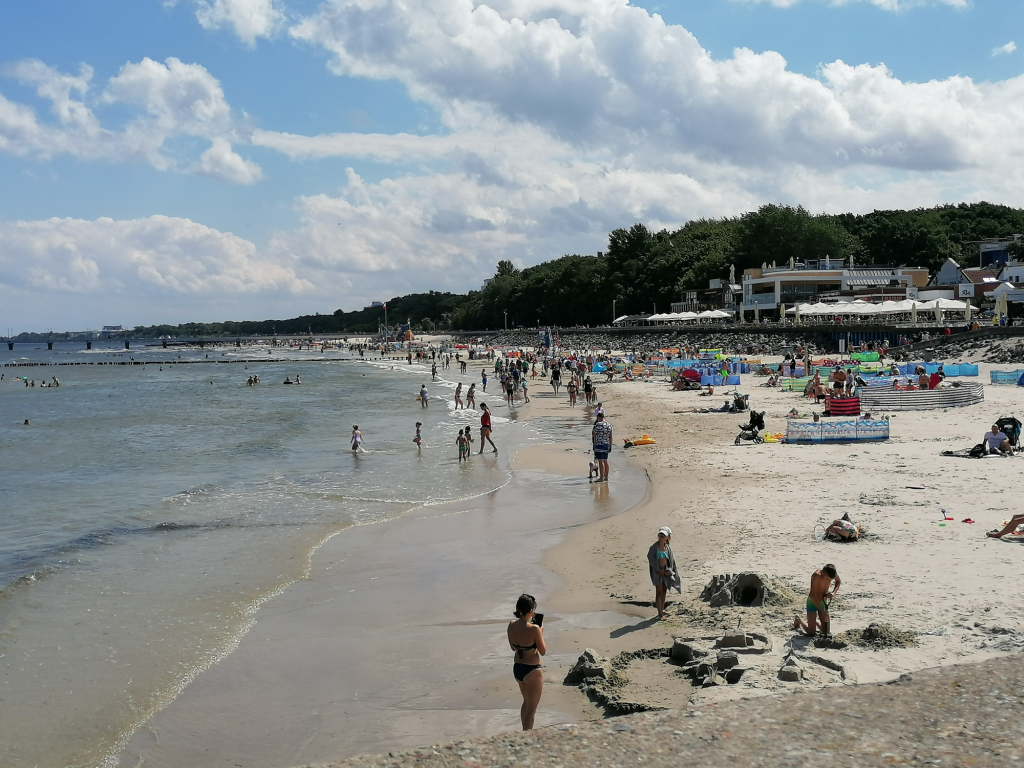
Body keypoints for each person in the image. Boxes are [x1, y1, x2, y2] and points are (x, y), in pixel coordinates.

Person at [507, 594, 546, 730]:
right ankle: (527, 735)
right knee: (532, 708)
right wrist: (540, 632)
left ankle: (524, 732)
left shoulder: (511, 625)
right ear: (530, 611)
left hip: (518, 668)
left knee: (526, 703)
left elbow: (513, 647)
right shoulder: (534, 629)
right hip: (532, 669)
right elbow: (543, 651)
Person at [793, 564, 841, 638]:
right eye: (828, 579)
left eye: (831, 579)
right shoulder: (816, 576)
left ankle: (813, 621)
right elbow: (812, 596)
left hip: (823, 602)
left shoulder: (832, 573)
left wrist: (833, 593)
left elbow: (838, 581)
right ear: (823, 574)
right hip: (812, 602)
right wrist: (822, 611)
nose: (830, 580)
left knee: (826, 632)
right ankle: (798, 619)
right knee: (811, 633)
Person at [647, 527, 681, 620]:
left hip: (666, 571)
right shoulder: (654, 548)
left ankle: (662, 609)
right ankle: (660, 614)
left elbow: (671, 560)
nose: (661, 536)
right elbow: (651, 559)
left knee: (664, 591)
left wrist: (670, 570)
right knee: (659, 591)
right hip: (657, 572)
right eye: (660, 535)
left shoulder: (668, 548)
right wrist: (658, 570)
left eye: (664, 535)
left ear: (668, 537)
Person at [591, 412, 613, 482]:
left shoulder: (597, 425)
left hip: (599, 444)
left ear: (599, 418)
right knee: (605, 461)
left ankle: (601, 478)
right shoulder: (609, 425)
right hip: (606, 444)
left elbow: (594, 434)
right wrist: (610, 446)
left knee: (601, 462)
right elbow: (611, 437)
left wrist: (594, 445)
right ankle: (606, 477)